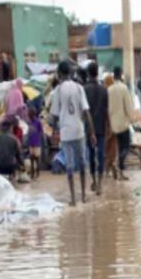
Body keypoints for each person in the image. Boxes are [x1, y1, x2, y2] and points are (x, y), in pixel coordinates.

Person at [51, 61, 97, 207]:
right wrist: (92, 132)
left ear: (59, 74)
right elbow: (86, 112)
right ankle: (83, 195)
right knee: (82, 163)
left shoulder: (57, 90)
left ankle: (72, 199)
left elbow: (54, 115)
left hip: (65, 133)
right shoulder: (79, 88)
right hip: (79, 131)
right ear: (71, 73)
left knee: (69, 166)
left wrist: (54, 131)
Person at [108, 67, 138, 181]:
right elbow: (128, 106)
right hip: (123, 124)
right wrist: (133, 120)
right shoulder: (124, 88)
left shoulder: (109, 89)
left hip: (114, 124)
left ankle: (120, 172)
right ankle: (117, 164)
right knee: (126, 147)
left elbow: (109, 108)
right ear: (120, 75)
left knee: (120, 147)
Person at [83, 62, 108, 193]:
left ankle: (93, 181)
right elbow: (107, 111)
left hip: (89, 129)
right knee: (101, 155)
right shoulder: (104, 90)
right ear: (97, 73)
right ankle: (100, 184)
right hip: (101, 128)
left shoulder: (85, 90)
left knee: (91, 155)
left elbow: (83, 112)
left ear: (88, 73)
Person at [102, 74, 120, 180]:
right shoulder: (114, 93)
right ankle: (112, 163)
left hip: (106, 123)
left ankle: (107, 170)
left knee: (106, 145)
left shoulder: (104, 92)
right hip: (114, 122)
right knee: (114, 146)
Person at [27, 107, 43, 181]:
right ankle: (32, 174)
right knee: (31, 159)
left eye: (30, 115)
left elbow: (41, 132)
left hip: (36, 143)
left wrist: (40, 141)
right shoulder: (29, 122)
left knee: (37, 159)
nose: (29, 116)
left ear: (33, 114)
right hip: (31, 143)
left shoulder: (38, 122)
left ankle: (37, 174)